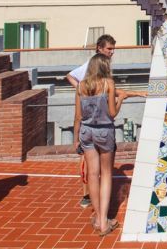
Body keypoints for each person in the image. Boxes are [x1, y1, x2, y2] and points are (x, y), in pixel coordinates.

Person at [66, 34, 117, 209]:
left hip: (87, 129)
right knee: (100, 171)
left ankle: (93, 206)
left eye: (112, 49)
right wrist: (85, 92)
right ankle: (92, 203)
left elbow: (77, 116)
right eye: (109, 49)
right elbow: (71, 76)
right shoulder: (95, 69)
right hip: (101, 128)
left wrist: (83, 92)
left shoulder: (93, 79)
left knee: (92, 170)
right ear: (100, 49)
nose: (112, 52)